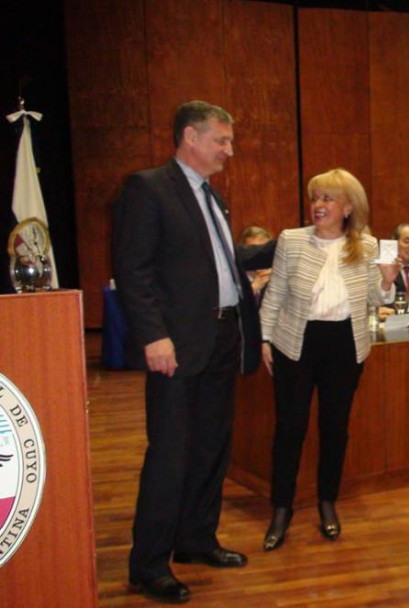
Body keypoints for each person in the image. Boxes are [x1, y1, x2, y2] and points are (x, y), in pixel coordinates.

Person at [113, 100, 261, 604]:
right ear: (190, 137)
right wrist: (154, 335)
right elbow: (134, 270)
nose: (229, 150)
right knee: (170, 455)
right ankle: (149, 564)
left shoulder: (213, 199)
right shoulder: (148, 188)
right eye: (221, 140)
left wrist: (285, 246)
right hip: (176, 346)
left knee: (211, 449)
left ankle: (196, 540)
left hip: (222, 340)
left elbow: (223, 264)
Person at [259, 168, 399, 551]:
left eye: (327, 198)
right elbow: (275, 294)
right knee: (290, 428)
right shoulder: (291, 240)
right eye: (315, 198)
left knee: (334, 428)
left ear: (348, 206)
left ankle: (327, 502)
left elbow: (377, 299)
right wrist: (265, 338)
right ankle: (281, 509)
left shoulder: (368, 246)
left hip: (344, 345)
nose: (318, 205)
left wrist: (387, 280)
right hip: (296, 342)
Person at [237, 226, 276, 298]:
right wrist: (253, 287)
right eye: (253, 250)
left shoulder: (276, 277)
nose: (260, 257)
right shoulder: (236, 278)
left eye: (264, 250)